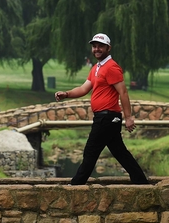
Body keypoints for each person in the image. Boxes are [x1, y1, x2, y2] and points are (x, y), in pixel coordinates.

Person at [54, 33, 150, 185]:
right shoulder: (96, 68)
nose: (97, 49)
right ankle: (141, 181)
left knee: (91, 150)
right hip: (104, 117)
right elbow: (84, 88)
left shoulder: (112, 67)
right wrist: (66, 94)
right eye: (94, 46)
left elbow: (123, 92)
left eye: (100, 46)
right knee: (120, 152)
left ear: (108, 48)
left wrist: (129, 117)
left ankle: (76, 184)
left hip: (108, 117)